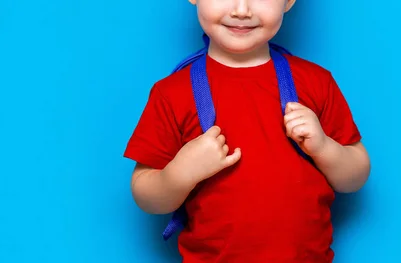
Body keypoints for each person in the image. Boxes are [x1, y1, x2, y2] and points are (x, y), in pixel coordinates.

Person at [123, 0, 371, 262]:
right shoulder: (171, 94)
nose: (241, 10)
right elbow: (146, 197)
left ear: (288, 2)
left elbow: (354, 178)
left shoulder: (316, 82)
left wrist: (323, 147)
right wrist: (179, 174)